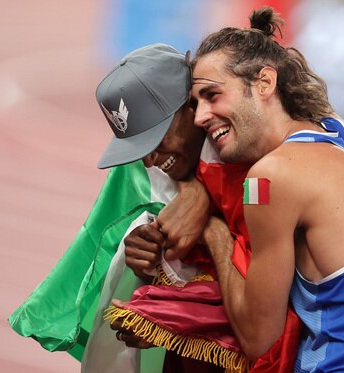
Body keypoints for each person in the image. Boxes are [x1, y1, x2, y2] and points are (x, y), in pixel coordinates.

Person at [189, 7, 344, 372]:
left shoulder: (269, 177)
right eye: (195, 103)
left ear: (264, 83)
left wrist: (212, 229)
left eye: (212, 95)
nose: (199, 117)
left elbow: (257, 338)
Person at [94, 42, 300, 373]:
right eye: (140, 147)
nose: (150, 160)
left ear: (194, 106)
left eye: (156, 139)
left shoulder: (265, 171)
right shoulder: (189, 167)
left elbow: (269, 324)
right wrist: (146, 252)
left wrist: (210, 230)